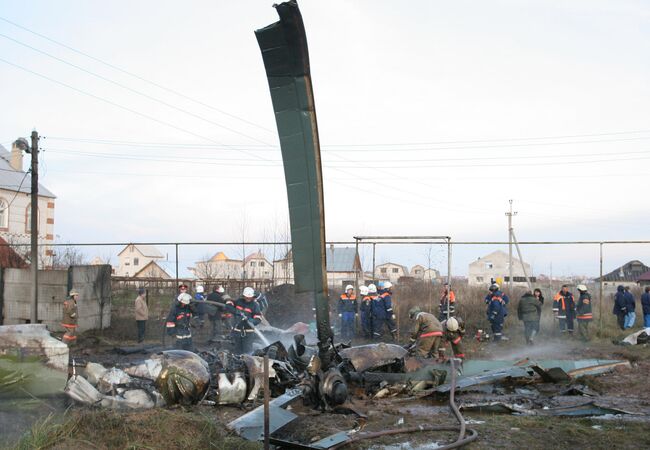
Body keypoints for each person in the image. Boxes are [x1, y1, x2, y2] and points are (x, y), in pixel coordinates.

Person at [226, 287, 263, 354]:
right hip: (237, 331)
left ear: (252, 297)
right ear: (243, 296)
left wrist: (250, 320)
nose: (248, 299)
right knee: (237, 351)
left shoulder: (255, 305)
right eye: (246, 297)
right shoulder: (239, 301)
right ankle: (237, 363)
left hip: (248, 332)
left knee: (247, 351)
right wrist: (232, 308)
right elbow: (229, 302)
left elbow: (258, 319)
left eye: (249, 297)